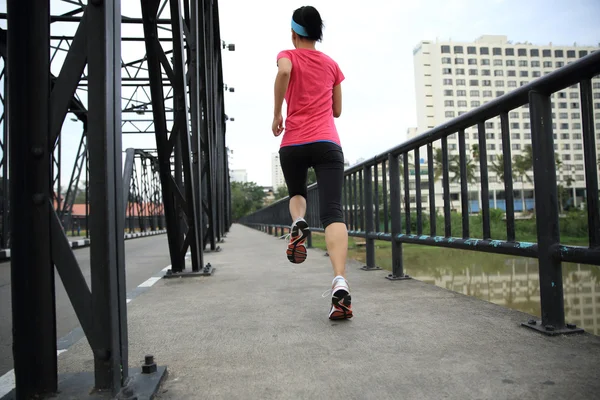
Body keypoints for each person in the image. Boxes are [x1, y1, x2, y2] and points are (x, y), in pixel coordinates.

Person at [271, 6, 352, 320]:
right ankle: (339, 282)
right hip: (327, 143)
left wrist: (278, 112)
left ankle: (297, 223)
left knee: (297, 195)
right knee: (333, 212)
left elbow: (283, 72)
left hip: (293, 143)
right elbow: (337, 111)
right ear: (318, 34)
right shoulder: (331, 64)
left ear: (293, 33)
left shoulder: (287, 55)